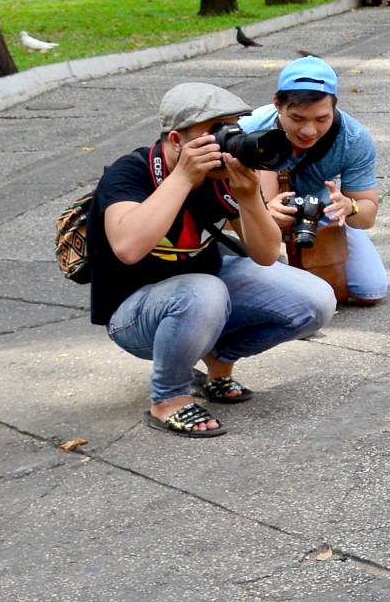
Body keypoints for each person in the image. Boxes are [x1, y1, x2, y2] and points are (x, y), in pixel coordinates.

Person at [89, 83, 335, 437]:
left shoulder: (221, 177)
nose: (227, 140)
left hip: (203, 300)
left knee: (316, 300)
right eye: (214, 132)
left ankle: (218, 361)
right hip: (134, 315)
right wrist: (184, 178)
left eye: (233, 128)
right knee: (203, 290)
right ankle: (168, 399)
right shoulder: (130, 173)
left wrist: (250, 198)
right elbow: (128, 247)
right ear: (176, 140)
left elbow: (265, 256)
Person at [243, 55, 388, 307]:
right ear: (277, 104)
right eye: (298, 118)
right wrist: (262, 211)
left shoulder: (352, 138)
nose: (309, 131)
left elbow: (367, 215)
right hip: (254, 210)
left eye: (322, 119)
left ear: (334, 107)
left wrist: (349, 207)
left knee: (370, 289)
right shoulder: (248, 129)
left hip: (320, 209)